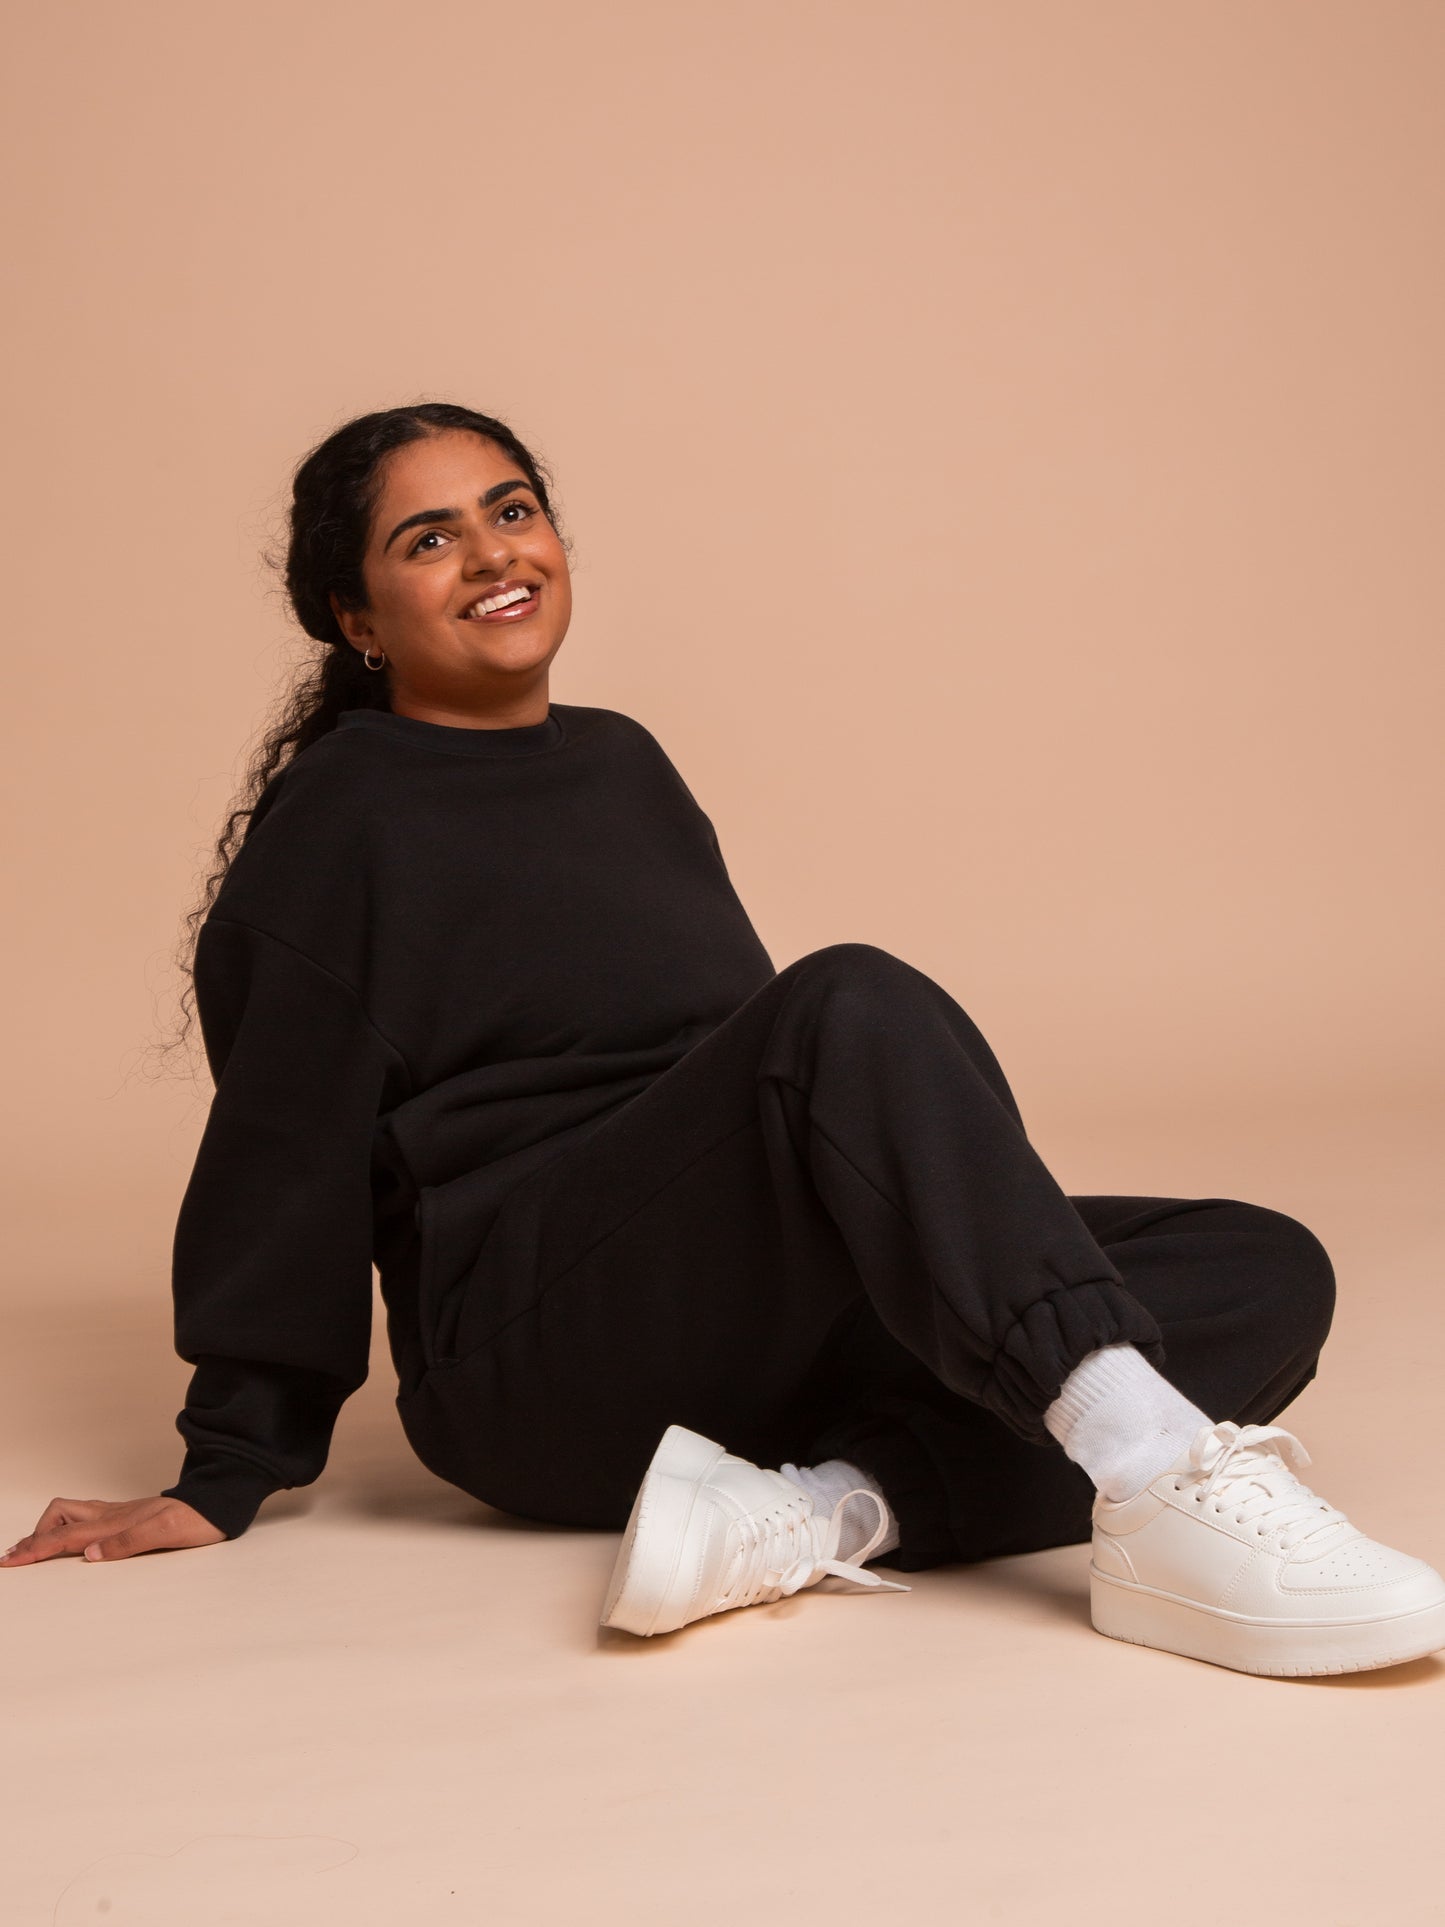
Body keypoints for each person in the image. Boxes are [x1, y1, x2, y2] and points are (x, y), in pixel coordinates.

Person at [5, 403, 1441, 1681]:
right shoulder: (339, 829)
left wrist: (946, 1253)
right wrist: (230, 1462)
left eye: (512, 510)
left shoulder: (622, 761)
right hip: (535, 1359)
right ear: (356, 618)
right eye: (427, 539)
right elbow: (283, 1151)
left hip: (730, 1325)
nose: (493, 552)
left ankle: (816, 1511)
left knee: (1263, 1266)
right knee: (846, 1001)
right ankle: (1159, 1483)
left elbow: (737, 1093)